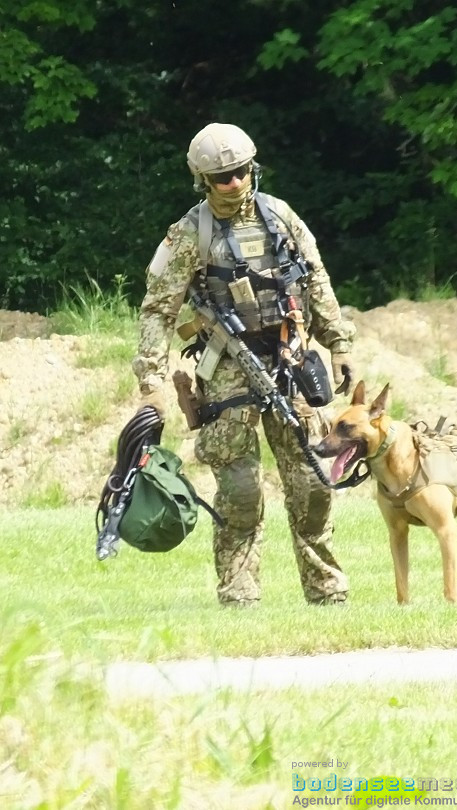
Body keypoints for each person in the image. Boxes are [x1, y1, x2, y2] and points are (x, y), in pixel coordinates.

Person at [131, 122, 356, 606]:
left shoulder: (280, 217)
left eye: (238, 173)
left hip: (288, 355)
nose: (232, 184)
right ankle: (239, 596)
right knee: (241, 490)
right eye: (221, 178)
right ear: (202, 181)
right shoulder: (190, 233)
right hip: (228, 365)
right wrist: (150, 377)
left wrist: (338, 343)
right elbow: (158, 307)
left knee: (313, 483)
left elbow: (316, 279)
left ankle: (327, 591)